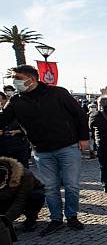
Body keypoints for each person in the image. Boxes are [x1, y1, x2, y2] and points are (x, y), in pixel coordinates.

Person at [0, 65, 88, 236]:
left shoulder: (58, 93)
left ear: (31, 79)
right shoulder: (16, 101)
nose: (14, 81)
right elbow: (3, 120)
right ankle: (56, 219)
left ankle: (72, 216)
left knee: (71, 185)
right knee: (50, 187)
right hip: (42, 151)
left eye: (17, 78)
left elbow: (79, 114)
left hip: (67, 147)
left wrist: (84, 138)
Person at [0, 92, 31, 167]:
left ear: (5, 99)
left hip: (19, 145)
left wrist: (19, 131)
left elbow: (30, 125)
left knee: (23, 170)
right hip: (2, 146)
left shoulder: (18, 109)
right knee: (5, 170)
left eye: (0, 100)